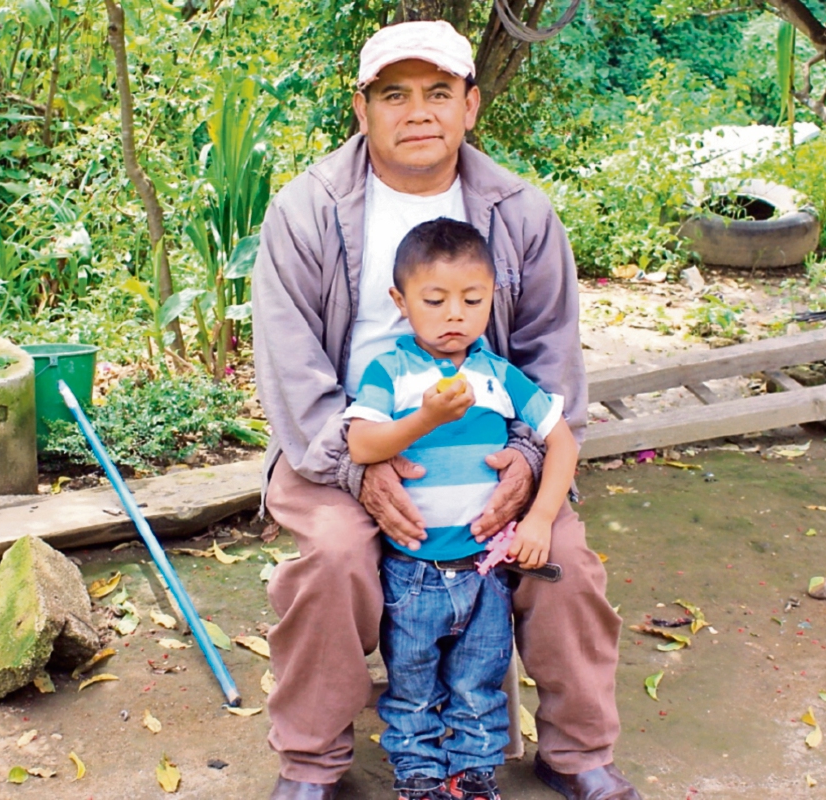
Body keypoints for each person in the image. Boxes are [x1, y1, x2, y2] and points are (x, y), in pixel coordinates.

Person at [252, 19, 640, 800]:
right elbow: (292, 375)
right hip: (340, 446)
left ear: (471, 104)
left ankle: (577, 751)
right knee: (334, 555)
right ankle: (312, 761)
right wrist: (360, 469)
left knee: (561, 558)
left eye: (438, 92)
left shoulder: (521, 213)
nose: (418, 112)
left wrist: (528, 461)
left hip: (487, 447)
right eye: (394, 95)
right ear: (361, 108)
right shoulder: (307, 211)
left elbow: (552, 363)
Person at [344, 218, 579, 800]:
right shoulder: (391, 373)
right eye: (435, 300)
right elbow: (362, 445)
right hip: (412, 573)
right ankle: (418, 775)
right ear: (400, 302)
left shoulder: (499, 376)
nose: (455, 315)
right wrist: (426, 418)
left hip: (484, 571)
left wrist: (540, 518)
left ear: (492, 297)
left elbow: (563, 442)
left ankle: (474, 775)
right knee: (412, 684)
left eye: (472, 300)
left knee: (479, 682)